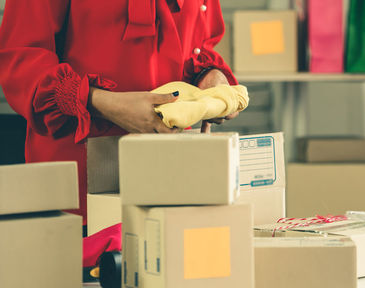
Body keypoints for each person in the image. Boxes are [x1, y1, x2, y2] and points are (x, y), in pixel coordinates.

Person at [0, 0, 238, 234]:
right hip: (78, 175)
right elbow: (22, 59)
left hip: (170, 172)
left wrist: (208, 74)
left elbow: (198, 42)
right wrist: (105, 104)